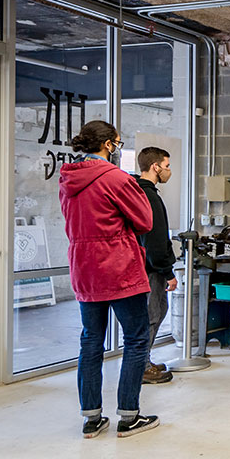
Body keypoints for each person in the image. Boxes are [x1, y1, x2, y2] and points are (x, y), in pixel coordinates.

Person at [60, 120, 160, 438]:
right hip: (118, 267)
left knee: (91, 340)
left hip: (84, 268)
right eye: (117, 143)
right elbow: (144, 221)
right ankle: (129, 416)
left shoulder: (67, 179)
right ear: (108, 145)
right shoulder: (117, 179)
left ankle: (91, 418)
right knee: (135, 338)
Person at [134, 146, 177, 385]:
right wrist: (167, 271)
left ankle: (144, 360)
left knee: (159, 311)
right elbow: (156, 239)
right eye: (167, 166)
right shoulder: (148, 196)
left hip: (146, 266)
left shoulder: (140, 192)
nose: (169, 171)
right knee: (152, 315)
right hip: (150, 268)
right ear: (155, 167)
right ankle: (141, 366)